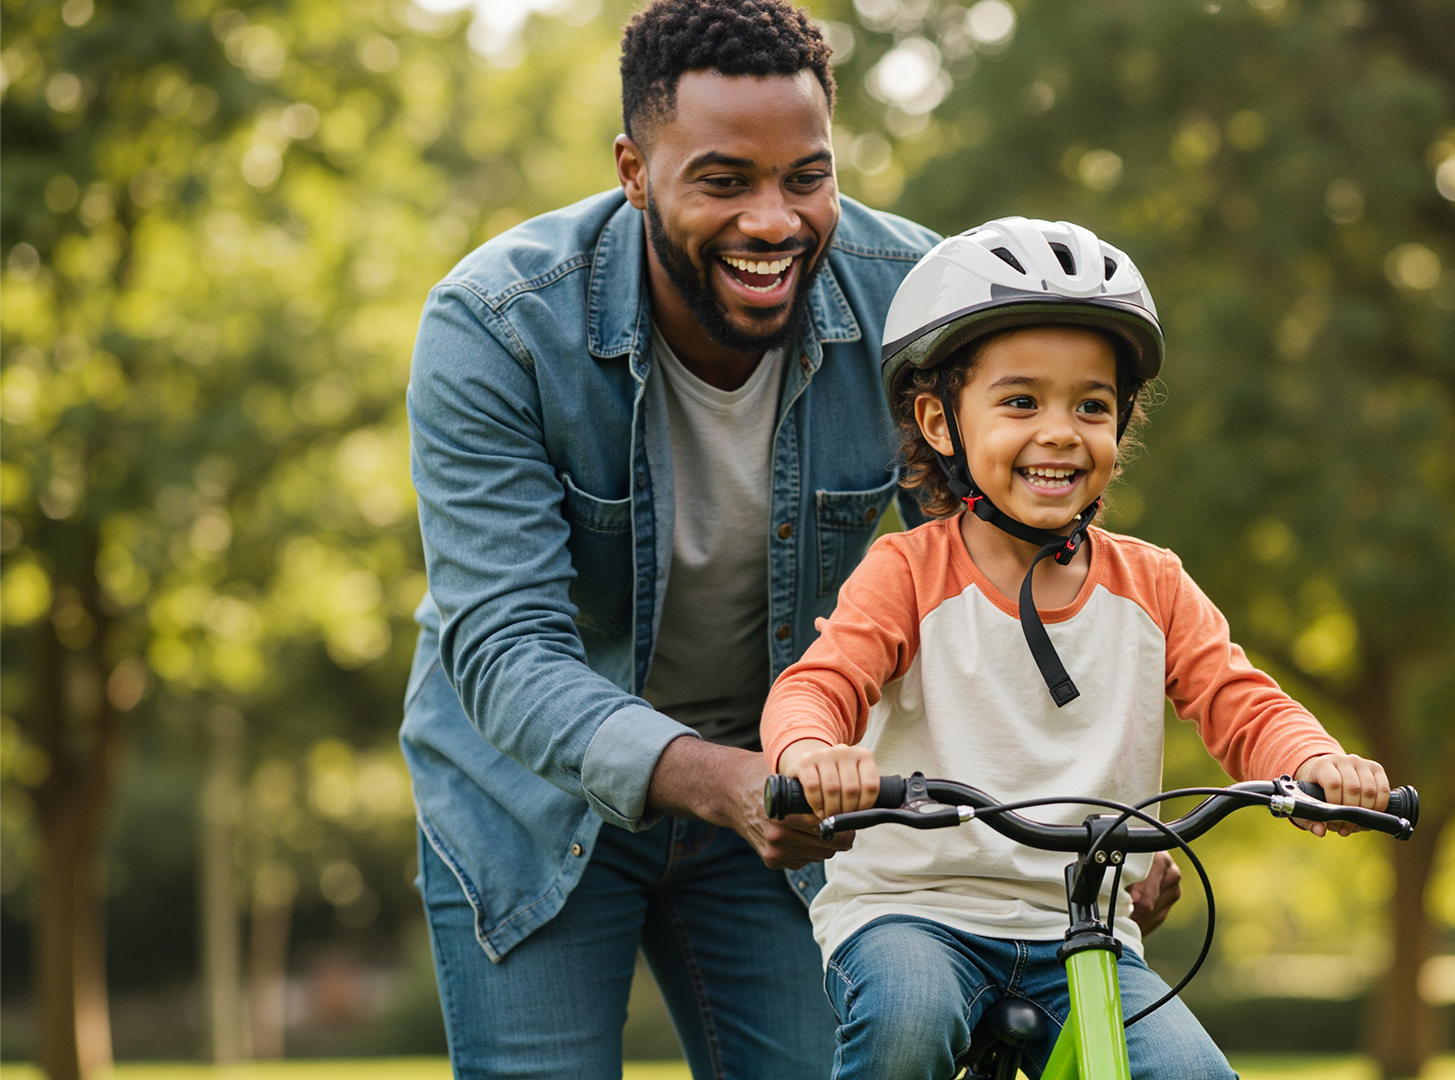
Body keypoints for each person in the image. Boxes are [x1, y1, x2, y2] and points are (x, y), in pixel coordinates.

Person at [400, 3, 1181, 1077]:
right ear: (634, 172)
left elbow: (1009, 583)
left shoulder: (915, 304)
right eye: (724, 181)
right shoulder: (497, 326)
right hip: (532, 798)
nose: (773, 221)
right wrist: (722, 777)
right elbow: (504, 649)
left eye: (806, 178)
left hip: (791, 800)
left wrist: (1093, 823)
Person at [762, 217, 1395, 1079]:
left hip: (1085, 926)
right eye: (1021, 402)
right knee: (908, 1017)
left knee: (1195, 1076)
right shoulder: (908, 572)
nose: (1061, 431)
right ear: (940, 422)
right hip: (915, 913)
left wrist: (1316, 764)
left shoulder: (1152, 583)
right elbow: (817, 686)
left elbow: (1242, 701)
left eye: (1091, 406)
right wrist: (812, 755)